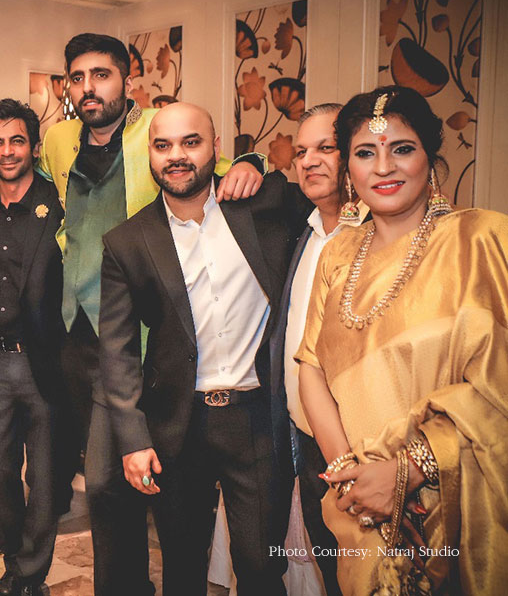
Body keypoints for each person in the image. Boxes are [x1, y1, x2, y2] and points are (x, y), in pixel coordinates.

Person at [38, 32, 267, 594]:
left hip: (153, 338)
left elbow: (219, 164)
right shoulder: (59, 139)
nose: (89, 88)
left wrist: (254, 161)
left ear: (127, 80)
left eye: (102, 75)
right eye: (77, 78)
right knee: (109, 485)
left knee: (123, 479)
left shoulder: (156, 132)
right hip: (84, 331)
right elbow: (44, 195)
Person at [297, 86, 508, 595]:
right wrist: (350, 477)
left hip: (455, 499)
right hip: (358, 507)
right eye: (365, 153)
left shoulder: (482, 239)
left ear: (430, 158)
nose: (384, 167)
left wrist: (410, 468)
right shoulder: (337, 255)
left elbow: (499, 390)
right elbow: (311, 368)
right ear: (348, 168)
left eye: (402, 148)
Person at [99, 102, 304, 595]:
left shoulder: (262, 204)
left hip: (255, 418)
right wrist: (133, 439)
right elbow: (117, 350)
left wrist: (254, 163)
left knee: (261, 565)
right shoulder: (128, 242)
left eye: (190, 142)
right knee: (182, 565)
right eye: (163, 145)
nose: (177, 155)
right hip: (177, 424)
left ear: (215, 147)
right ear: (149, 154)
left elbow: (324, 189)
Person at [0, 99, 65, 596]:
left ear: (34, 146)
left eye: (17, 140)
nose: (7, 151)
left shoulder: (61, 204)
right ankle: (15, 560)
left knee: (46, 480)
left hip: (47, 361)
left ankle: (29, 576)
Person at [274, 102, 368, 596]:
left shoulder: (377, 237)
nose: (309, 161)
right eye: (301, 151)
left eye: (325, 148)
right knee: (333, 568)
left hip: (362, 445)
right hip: (305, 437)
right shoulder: (305, 232)